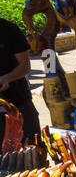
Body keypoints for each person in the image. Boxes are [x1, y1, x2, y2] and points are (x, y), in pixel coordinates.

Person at [0, 15, 40, 143]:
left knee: (31, 149)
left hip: (18, 102)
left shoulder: (9, 29)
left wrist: (7, 78)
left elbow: (25, 66)